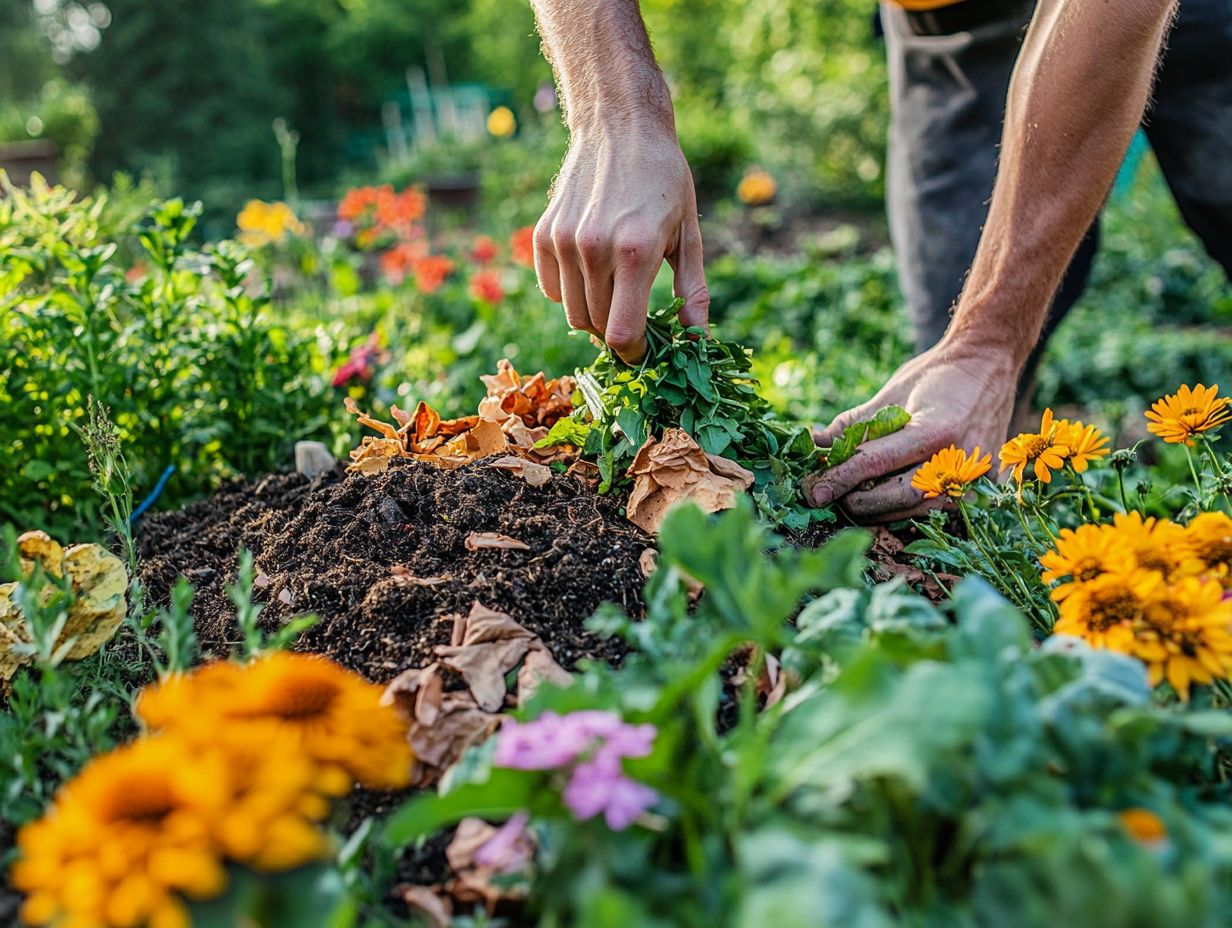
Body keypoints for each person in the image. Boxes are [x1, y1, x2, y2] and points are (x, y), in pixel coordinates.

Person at [527, 0, 1209, 522]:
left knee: (982, 348)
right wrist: (615, 111)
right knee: (944, 416)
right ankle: (1009, 564)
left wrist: (992, 336)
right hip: (952, 20)